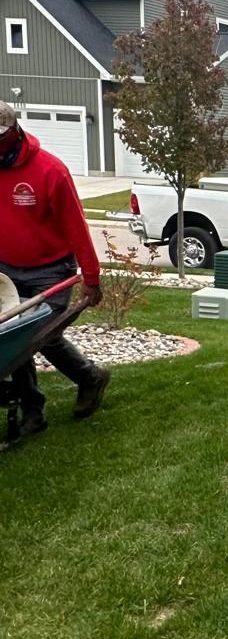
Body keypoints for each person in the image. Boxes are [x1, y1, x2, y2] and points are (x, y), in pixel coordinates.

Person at [0, 101, 109, 435]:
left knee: (40, 336)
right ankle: (33, 409)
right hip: (7, 269)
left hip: (52, 269)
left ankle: (89, 377)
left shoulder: (50, 171)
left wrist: (91, 278)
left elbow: (77, 228)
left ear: (13, 132)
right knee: (11, 339)